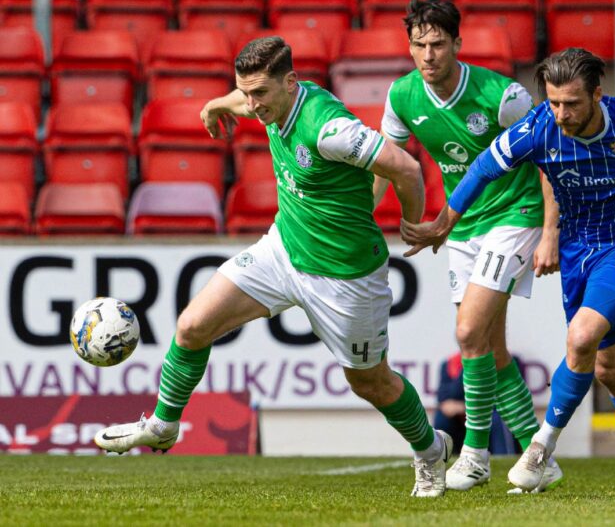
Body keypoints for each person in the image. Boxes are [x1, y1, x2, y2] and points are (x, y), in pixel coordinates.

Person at [94, 36, 453, 498]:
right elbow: (242, 102)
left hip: (345, 276)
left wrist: (414, 223)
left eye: (261, 93)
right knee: (192, 326)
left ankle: (430, 451)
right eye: (247, 92)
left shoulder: (329, 128)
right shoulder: (265, 101)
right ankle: (164, 425)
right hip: (282, 249)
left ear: (291, 82)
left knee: (369, 381)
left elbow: (403, 166)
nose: (253, 103)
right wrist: (217, 104)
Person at [401, 47, 615, 499]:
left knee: (581, 338)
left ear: (597, 95)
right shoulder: (539, 129)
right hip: (576, 252)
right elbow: (483, 168)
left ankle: (539, 448)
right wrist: (444, 223)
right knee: (609, 366)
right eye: (554, 102)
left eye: (572, 103)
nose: (562, 114)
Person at [376, 0, 563, 493]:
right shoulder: (402, 96)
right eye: (419, 45)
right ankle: (535, 455)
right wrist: (366, 215)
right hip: (462, 226)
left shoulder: (502, 96)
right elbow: (387, 162)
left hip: (514, 215)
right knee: (491, 349)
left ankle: (475, 454)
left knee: (466, 333)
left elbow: (548, 160)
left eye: (438, 44)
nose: (428, 55)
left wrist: (549, 231)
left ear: (458, 43)